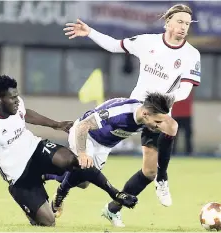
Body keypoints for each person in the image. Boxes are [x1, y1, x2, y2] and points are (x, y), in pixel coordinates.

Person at [63, 3, 201, 226]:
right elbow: (115, 46)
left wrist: (167, 100)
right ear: (168, 22)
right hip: (137, 109)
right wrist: (90, 32)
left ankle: (115, 207)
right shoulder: (148, 42)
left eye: (187, 24)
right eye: (180, 22)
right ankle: (68, 167)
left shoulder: (191, 55)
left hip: (159, 113)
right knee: (169, 128)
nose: (184, 27)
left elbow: (185, 89)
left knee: (149, 172)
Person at [0, 75, 137, 227]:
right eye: (12, 98)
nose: (17, 100)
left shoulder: (16, 104)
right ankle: (35, 199)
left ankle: (116, 194)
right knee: (48, 222)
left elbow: (26, 114)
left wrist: (56, 124)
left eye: (17, 96)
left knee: (77, 163)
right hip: (19, 175)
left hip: (36, 150)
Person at [43, 93, 174, 223]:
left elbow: (169, 127)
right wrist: (83, 153)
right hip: (86, 134)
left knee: (84, 183)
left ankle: (46, 174)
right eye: (157, 122)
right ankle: (59, 195)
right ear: (145, 114)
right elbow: (83, 126)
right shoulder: (120, 113)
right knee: (85, 167)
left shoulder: (147, 116)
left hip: (104, 146)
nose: (159, 125)